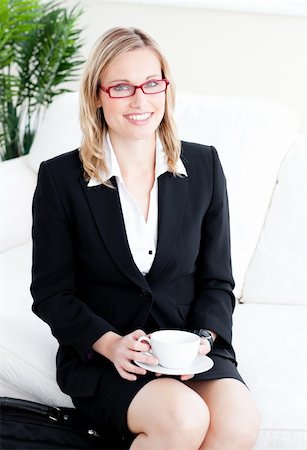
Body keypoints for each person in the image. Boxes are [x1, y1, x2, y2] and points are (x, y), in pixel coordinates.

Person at [31, 27, 260, 449]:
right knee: (183, 418)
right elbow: (51, 293)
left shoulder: (205, 165)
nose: (140, 99)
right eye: (121, 87)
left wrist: (202, 341)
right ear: (97, 96)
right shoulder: (60, 178)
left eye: (152, 84)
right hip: (106, 355)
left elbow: (217, 282)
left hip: (188, 346)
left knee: (237, 424)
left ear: (166, 88)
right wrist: (110, 343)